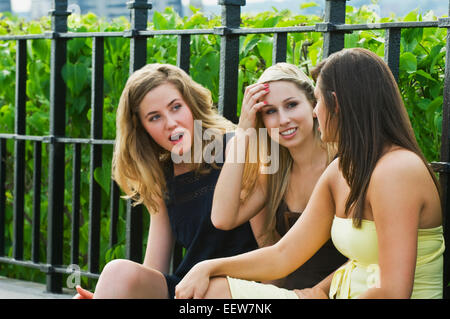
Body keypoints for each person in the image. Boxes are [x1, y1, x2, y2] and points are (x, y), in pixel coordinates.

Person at [174, 48, 445, 299]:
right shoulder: (340, 171)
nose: (316, 111)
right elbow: (283, 255)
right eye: (270, 112)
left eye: (315, 101)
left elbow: (393, 291)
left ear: (335, 104)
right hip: (328, 293)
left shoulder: (398, 171)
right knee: (211, 292)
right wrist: (208, 267)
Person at [75, 63, 262, 299]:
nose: (171, 122)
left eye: (176, 107)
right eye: (155, 117)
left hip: (237, 290)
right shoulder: (163, 175)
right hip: (188, 291)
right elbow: (155, 268)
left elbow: (267, 243)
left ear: (190, 105)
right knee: (117, 273)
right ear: (142, 129)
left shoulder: (237, 147)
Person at [210, 62, 346, 290]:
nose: (283, 120)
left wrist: (314, 294)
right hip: (289, 292)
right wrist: (243, 132)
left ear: (313, 105)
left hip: (341, 290)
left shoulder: (341, 164)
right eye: (270, 111)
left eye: (291, 105)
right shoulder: (274, 174)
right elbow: (223, 218)